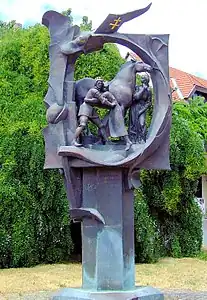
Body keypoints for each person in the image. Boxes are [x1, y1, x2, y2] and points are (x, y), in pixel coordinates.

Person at [72, 79, 117, 146]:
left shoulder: (99, 92)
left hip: (91, 109)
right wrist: (111, 105)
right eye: (99, 83)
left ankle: (107, 141)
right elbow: (103, 100)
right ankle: (74, 141)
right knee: (83, 124)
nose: (100, 84)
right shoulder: (94, 91)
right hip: (85, 108)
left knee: (101, 126)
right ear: (96, 84)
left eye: (101, 84)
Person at [128, 74, 152, 143]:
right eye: (142, 77)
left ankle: (141, 139)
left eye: (143, 78)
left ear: (146, 80)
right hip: (134, 106)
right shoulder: (137, 87)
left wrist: (142, 111)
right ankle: (133, 139)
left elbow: (149, 102)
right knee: (133, 123)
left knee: (142, 123)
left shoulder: (149, 91)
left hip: (142, 107)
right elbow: (136, 97)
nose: (141, 78)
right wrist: (143, 89)